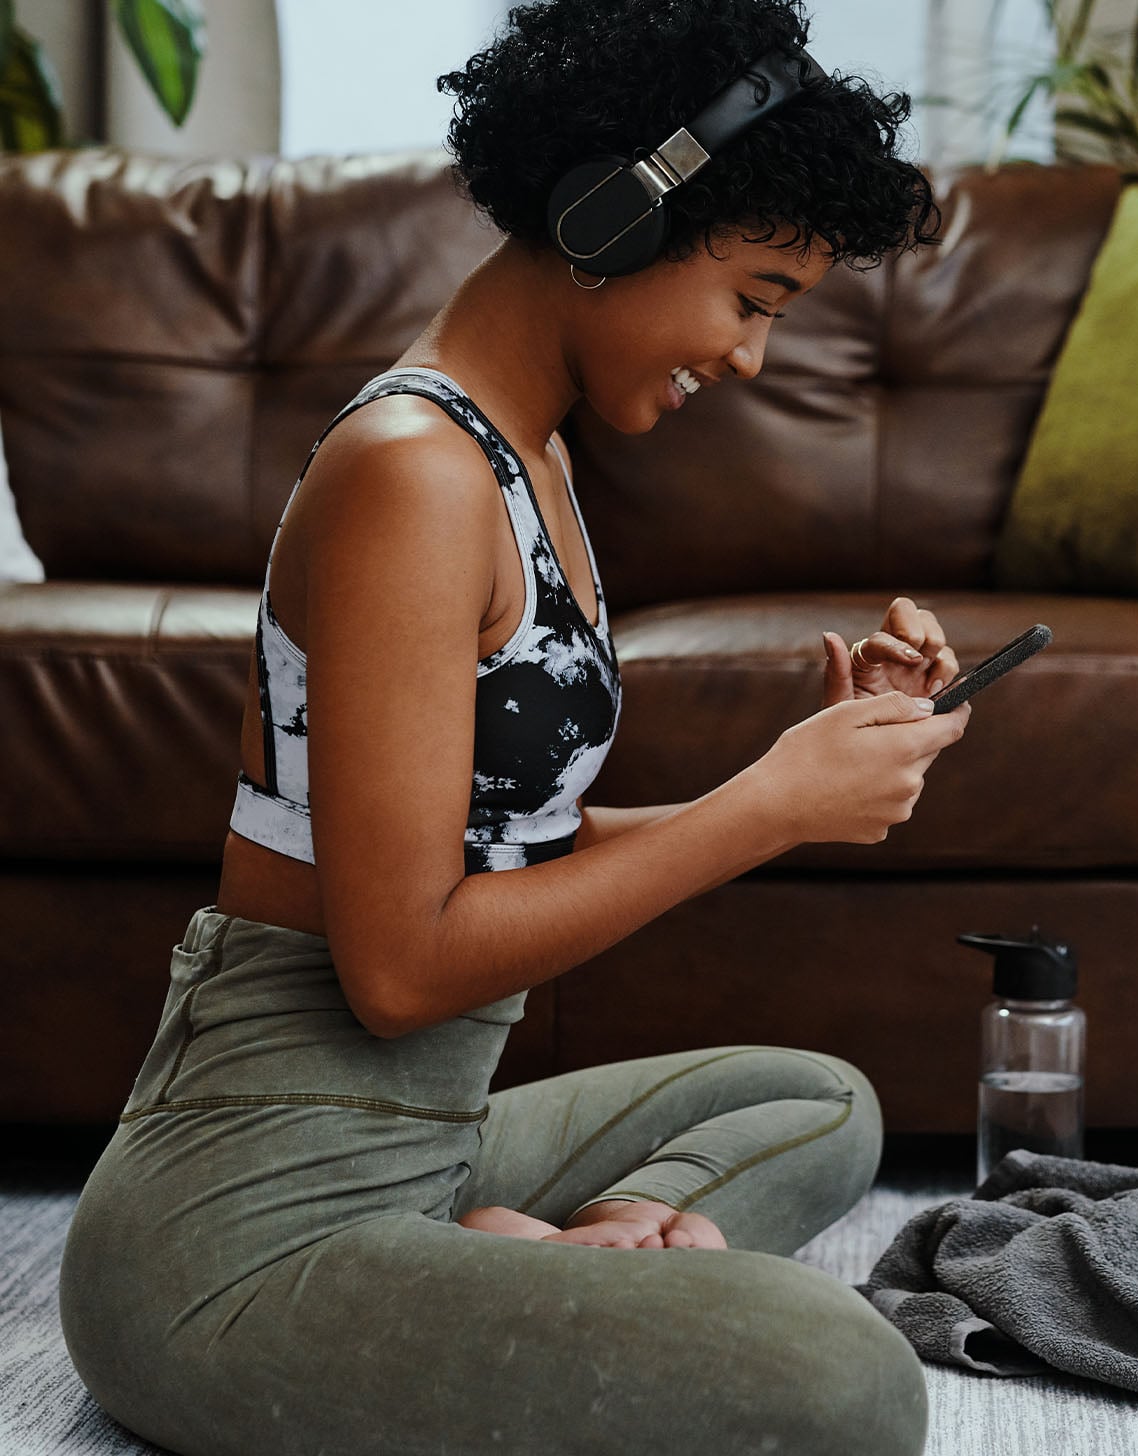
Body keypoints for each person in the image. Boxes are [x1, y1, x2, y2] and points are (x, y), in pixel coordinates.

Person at [58, 1, 969, 1451]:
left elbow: (494, 838)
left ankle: (538, 1245)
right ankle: (506, 1261)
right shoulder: (413, 477)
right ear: (613, 216)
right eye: (754, 297)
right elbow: (403, 969)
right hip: (239, 1238)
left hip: (424, 1146)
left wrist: (804, 775)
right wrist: (765, 809)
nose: (749, 358)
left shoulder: (526, 451)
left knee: (819, 1100)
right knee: (848, 1383)